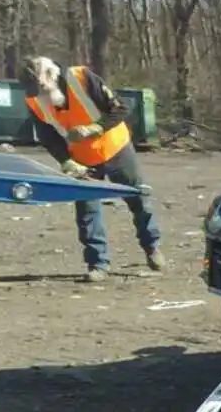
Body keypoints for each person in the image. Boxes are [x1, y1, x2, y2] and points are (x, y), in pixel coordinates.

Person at [21, 55, 162, 282]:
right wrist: (66, 161)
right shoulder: (34, 99)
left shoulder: (82, 78)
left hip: (115, 148)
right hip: (81, 158)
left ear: (50, 76)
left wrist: (95, 128)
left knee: (138, 198)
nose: (41, 95)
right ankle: (98, 264)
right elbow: (48, 136)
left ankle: (152, 246)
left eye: (43, 88)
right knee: (87, 210)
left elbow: (120, 108)